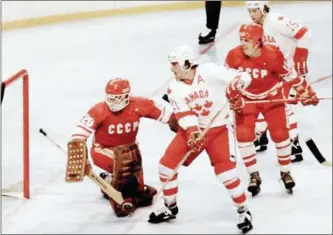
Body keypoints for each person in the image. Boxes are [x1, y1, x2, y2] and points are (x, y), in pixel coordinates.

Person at [148, 45, 253, 234]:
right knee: (166, 166)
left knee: (226, 174)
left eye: (174, 64)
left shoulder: (209, 71)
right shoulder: (174, 87)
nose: (171, 69)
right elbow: (184, 114)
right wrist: (194, 133)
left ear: (187, 63)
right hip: (192, 130)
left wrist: (236, 87)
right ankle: (170, 207)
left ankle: (243, 211)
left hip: (219, 128)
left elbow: (243, 77)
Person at [225, 23, 319, 197]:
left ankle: (285, 172)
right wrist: (233, 97)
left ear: (258, 41)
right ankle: (254, 175)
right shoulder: (233, 56)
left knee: (280, 135)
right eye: (241, 40)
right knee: (244, 137)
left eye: (247, 40)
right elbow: (226, 82)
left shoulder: (273, 54)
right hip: (247, 99)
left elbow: (290, 76)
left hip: (271, 98)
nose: (243, 44)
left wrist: (307, 92)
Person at [68, 78, 179, 217]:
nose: (113, 102)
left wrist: (177, 121)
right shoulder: (99, 110)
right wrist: (78, 150)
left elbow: (162, 113)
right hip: (102, 150)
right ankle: (119, 193)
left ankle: (121, 186)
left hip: (129, 149)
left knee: (134, 162)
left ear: (127, 96)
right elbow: (79, 132)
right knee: (124, 162)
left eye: (117, 98)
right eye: (111, 98)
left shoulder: (138, 104)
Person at [245, 1, 313, 162]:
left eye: (255, 10)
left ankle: (294, 143)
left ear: (263, 9)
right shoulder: (254, 27)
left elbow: (305, 33)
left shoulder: (276, 21)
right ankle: (261, 136)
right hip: (270, 72)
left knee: (281, 107)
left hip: (287, 71)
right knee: (258, 101)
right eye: (249, 11)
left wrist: (300, 59)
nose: (252, 14)